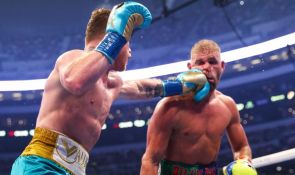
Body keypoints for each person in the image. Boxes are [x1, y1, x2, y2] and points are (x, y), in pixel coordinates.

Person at [10, 1, 209, 175]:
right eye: (127, 42)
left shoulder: (112, 83)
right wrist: (117, 38)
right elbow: (75, 81)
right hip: (41, 163)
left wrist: (182, 86)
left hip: (74, 169)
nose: (130, 51)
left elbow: (143, 88)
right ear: (113, 35)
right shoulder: (72, 58)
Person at [140, 39, 258, 175]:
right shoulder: (169, 107)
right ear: (190, 68)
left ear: (222, 66)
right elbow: (151, 160)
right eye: (200, 63)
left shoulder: (228, 106)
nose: (206, 67)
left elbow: (241, 147)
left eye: (212, 62)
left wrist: (244, 161)